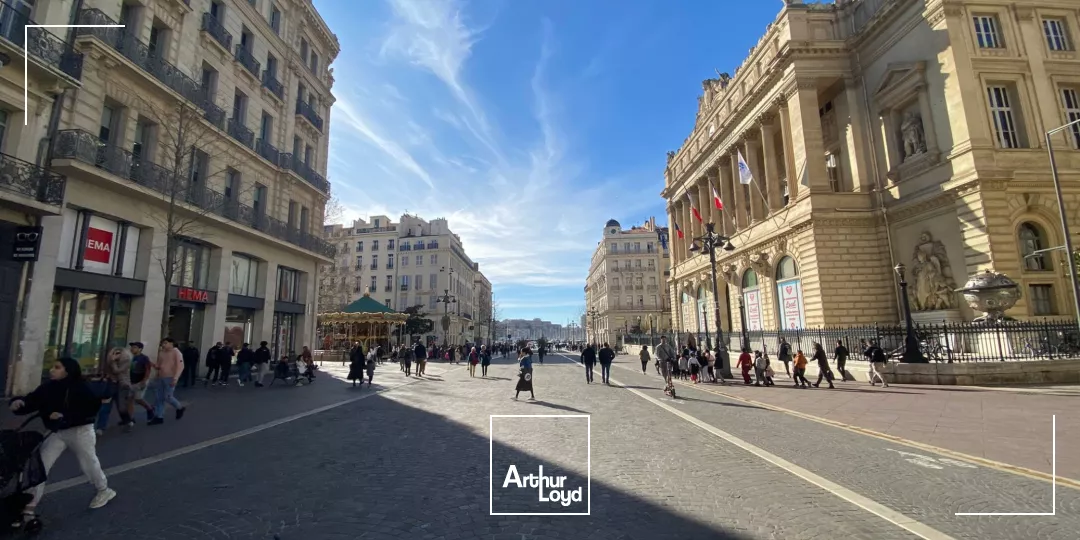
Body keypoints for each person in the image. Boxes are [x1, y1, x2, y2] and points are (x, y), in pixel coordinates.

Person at [9, 357, 117, 518]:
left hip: (80, 431)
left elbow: (90, 410)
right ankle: (30, 505)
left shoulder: (82, 387)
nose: (52, 370)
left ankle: (104, 490)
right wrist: (19, 403)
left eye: (57, 367)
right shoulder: (48, 387)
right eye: (53, 367)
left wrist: (65, 416)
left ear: (68, 371)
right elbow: (32, 400)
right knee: (41, 466)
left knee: (88, 463)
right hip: (56, 432)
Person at [95, 347, 131, 435]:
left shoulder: (126, 361)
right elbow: (106, 371)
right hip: (111, 384)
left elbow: (117, 371)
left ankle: (127, 421)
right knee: (105, 406)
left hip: (122, 385)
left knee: (121, 406)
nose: (116, 355)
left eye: (118, 353)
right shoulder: (109, 361)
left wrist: (113, 362)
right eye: (114, 353)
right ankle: (100, 427)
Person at [149, 337, 186, 424]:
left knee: (168, 397)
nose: (163, 345)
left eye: (165, 343)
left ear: (171, 343)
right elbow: (159, 365)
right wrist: (153, 365)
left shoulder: (176, 352)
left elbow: (180, 366)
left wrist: (175, 378)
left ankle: (179, 407)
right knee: (159, 398)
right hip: (161, 377)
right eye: (162, 343)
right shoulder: (162, 352)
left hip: (170, 377)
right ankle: (159, 416)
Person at [127, 342, 155, 424]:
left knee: (138, 398)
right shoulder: (131, 357)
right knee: (129, 399)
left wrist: (144, 381)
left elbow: (148, 370)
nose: (132, 349)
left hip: (140, 381)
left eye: (134, 347)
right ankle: (131, 418)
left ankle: (150, 409)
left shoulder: (144, 358)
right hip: (131, 381)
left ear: (140, 349)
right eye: (132, 347)